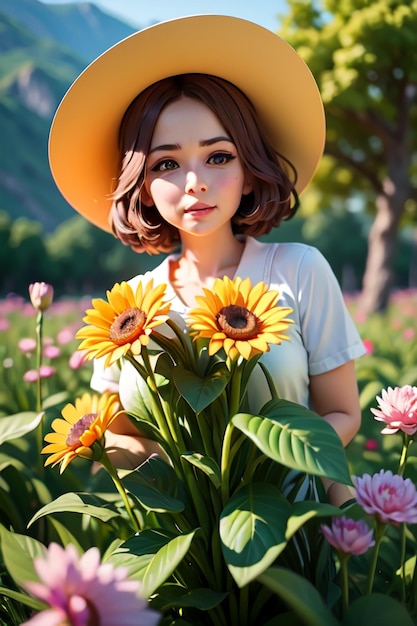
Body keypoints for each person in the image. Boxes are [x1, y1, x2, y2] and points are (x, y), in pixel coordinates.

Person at [48, 15, 365, 504]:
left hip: (301, 531)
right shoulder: (129, 306)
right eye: (167, 164)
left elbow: (343, 414)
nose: (194, 181)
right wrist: (177, 477)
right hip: (184, 549)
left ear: (252, 169)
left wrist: (260, 468)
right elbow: (118, 429)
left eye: (218, 156)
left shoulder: (299, 270)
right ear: (144, 187)